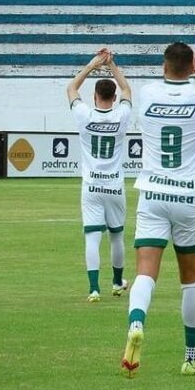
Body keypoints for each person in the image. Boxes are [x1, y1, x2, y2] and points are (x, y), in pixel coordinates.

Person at [120, 42, 195, 377]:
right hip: (189, 199)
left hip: (152, 194)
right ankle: (190, 357)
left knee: (145, 272)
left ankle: (136, 322)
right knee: (190, 283)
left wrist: (188, 70)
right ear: (191, 65)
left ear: (163, 65)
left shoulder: (147, 93)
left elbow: (165, 78)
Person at [66, 48, 132, 303]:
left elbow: (72, 88)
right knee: (116, 236)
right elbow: (128, 90)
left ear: (94, 96)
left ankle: (94, 289)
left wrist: (93, 65)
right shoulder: (121, 114)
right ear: (113, 98)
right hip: (114, 185)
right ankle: (117, 283)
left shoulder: (85, 114)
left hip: (91, 185)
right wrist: (112, 65)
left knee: (92, 237)